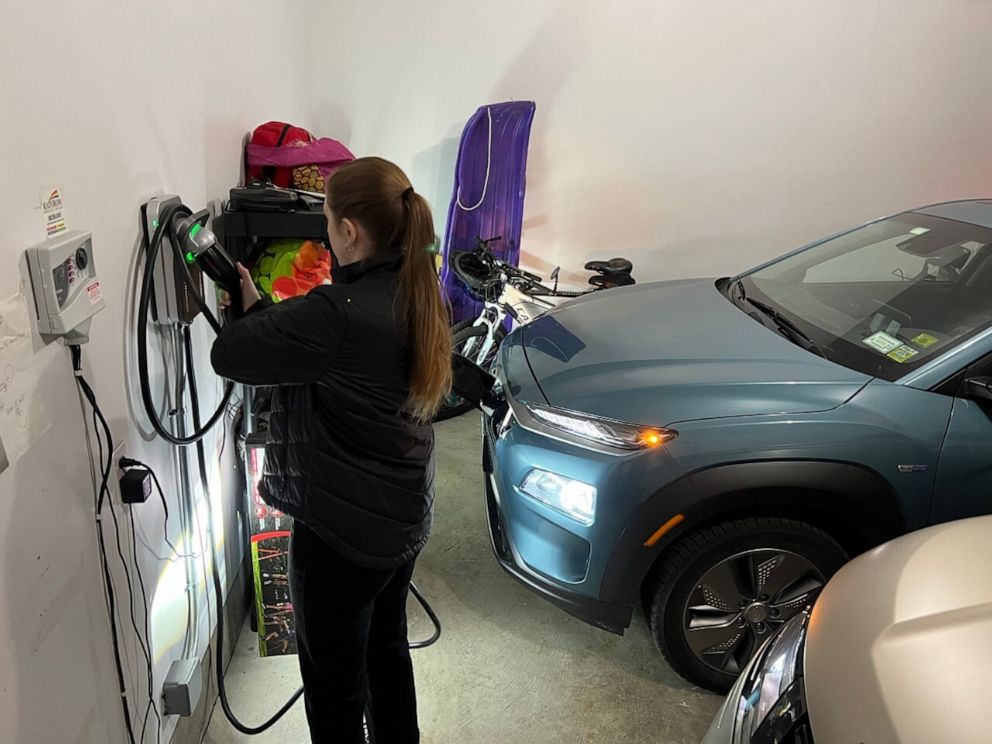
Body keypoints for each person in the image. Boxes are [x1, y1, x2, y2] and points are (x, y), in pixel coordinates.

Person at [211, 156, 452, 743]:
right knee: (386, 651)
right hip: (401, 517)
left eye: (326, 220)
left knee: (333, 688)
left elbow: (231, 356)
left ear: (348, 231)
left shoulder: (335, 314)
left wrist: (247, 310)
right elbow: (331, 359)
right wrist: (268, 315)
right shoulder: (419, 292)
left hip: (342, 535)